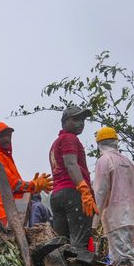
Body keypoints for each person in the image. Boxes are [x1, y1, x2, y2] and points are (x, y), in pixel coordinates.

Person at [0, 122, 53, 229]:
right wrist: (34, 185)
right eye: (2, 136)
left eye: (8, 135)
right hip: (5, 211)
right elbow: (13, 184)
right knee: (37, 208)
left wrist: (31, 189)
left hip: (14, 209)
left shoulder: (4, 156)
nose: (7, 138)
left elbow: (15, 185)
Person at [49, 106, 98, 253]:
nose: (80, 123)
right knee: (79, 243)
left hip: (57, 196)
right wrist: (84, 190)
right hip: (72, 193)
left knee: (62, 242)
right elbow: (71, 165)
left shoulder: (56, 142)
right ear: (64, 122)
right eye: (75, 119)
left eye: (82, 120)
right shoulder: (70, 138)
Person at [91, 127, 134, 266]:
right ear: (115, 142)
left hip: (116, 215)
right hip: (131, 214)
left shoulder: (104, 160)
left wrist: (94, 223)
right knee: (127, 252)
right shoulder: (128, 162)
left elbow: (100, 192)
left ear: (99, 144)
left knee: (123, 259)